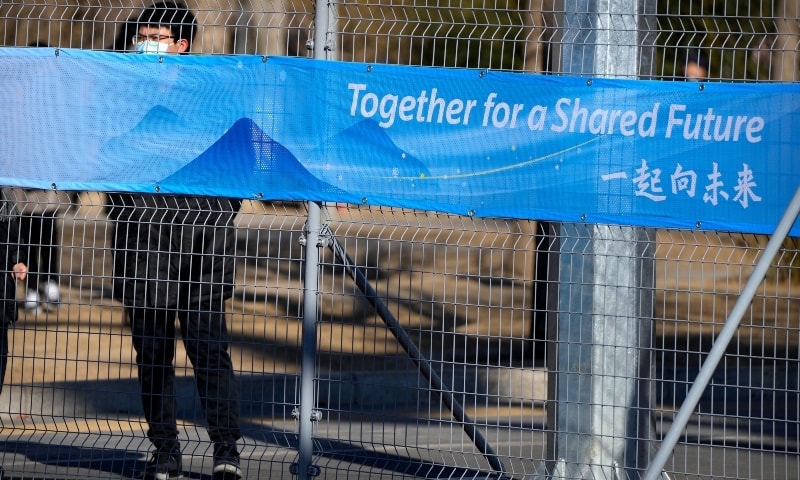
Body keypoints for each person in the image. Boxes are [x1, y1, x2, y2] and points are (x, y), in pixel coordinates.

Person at [109, 3, 244, 479]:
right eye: (141, 37)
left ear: (181, 45)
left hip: (203, 240)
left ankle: (226, 450)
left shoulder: (212, 95)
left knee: (208, 346)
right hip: (142, 238)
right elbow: (106, 154)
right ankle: (164, 447)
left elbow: (240, 157)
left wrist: (216, 213)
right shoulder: (121, 92)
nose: (145, 45)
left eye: (156, 37)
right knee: (152, 349)